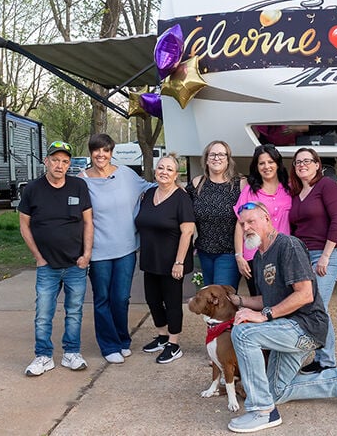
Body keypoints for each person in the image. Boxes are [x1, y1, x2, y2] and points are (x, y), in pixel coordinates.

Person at [225, 202, 337, 433]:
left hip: (306, 327)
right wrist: (238, 301)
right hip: (284, 328)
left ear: (267, 219)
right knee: (275, 392)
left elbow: (305, 294)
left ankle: (262, 411)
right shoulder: (259, 257)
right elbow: (268, 299)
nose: (246, 227)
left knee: (243, 334)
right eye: (242, 224)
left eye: (251, 221)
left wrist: (264, 315)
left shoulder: (288, 245)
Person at [18, 141, 93, 377]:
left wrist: (86, 255)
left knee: (74, 312)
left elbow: (88, 222)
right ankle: (43, 356)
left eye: (65, 161)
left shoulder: (79, 186)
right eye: (55, 160)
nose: (60, 165)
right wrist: (38, 257)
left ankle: (72, 353)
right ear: (46, 161)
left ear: (69, 164)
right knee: (43, 313)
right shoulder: (32, 189)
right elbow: (24, 225)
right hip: (47, 266)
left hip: (75, 265)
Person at [79, 134, 155, 364]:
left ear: (111, 153)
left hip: (126, 249)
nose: (101, 155)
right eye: (96, 150)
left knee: (121, 298)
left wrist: (181, 188)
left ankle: (122, 339)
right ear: (91, 153)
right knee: (102, 298)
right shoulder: (82, 181)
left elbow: (152, 188)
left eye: (106, 150)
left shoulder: (126, 174)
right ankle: (109, 345)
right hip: (98, 251)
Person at [288, 147, 337, 374]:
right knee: (309, 305)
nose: (302, 164)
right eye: (298, 162)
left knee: (318, 305)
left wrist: (325, 256)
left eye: (307, 160)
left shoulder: (327, 186)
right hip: (302, 256)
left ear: (317, 164)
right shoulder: (295, 192)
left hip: (327, 253)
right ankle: (321, 357)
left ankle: (326, 361)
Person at [135, 155, 195, 364]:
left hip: (172, 261)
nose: (164, 172)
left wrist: (179, 262)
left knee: (172, 302)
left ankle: (173, 343)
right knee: (152, 299)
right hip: (151, 258)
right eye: (161, 168)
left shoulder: (181, 198)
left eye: (169, 169)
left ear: (176, 174)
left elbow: (187, 232)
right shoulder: (149, 194)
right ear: (155, 171)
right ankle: (162, 335)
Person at [234, 144, 292, 296]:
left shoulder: (289, 188)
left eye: (270, 162)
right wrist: (239, 256)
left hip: (282, 254)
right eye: (261, 163)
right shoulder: (250, 191)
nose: (266, 166)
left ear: (278, 163)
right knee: (259, 300)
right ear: (256, 166)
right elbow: (240, 224)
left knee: (283, 299)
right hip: (254, 255)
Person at [185, 140, 242, 289]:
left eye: (222, 154)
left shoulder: (239, 184)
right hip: (204, 252)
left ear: (228, 159)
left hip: (229, 252)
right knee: (209, 297)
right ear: (206, 159)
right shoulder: (197, 183)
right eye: (213, 154)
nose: (217, 158)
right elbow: (179, 200)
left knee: (221, 295)